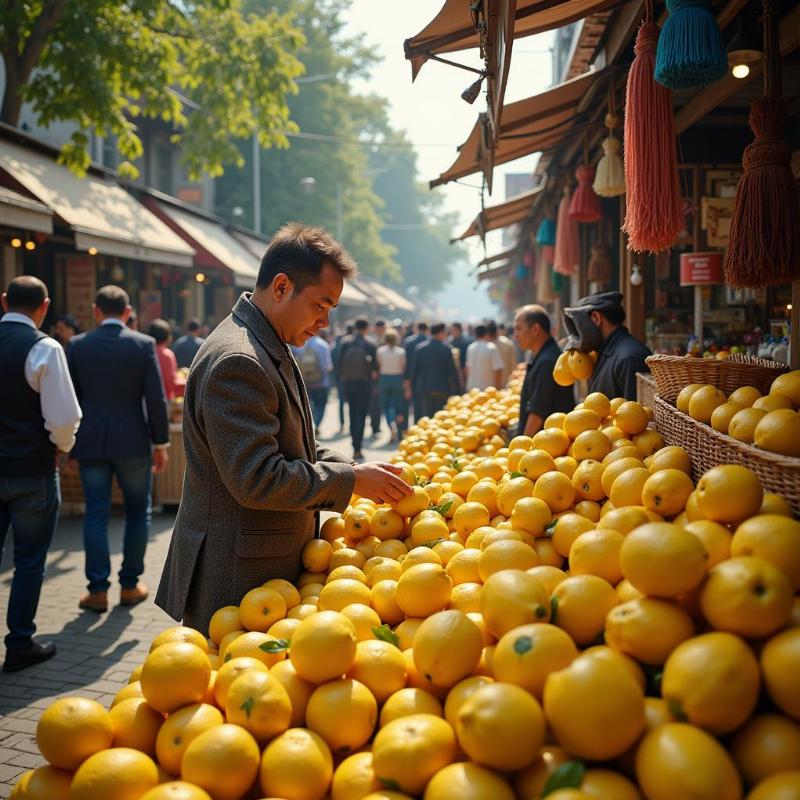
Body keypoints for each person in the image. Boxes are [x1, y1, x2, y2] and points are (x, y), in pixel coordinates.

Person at [155, 223, 411, 633]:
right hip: (238, 576)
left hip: (262, 571)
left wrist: (360, 470)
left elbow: (294, 447)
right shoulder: (238, 361)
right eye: (320, 305)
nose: (325, 322)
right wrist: (350, 479)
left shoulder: (266, 340)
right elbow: (258, 479)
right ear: (280, 287)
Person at [67, 286, 170, 613]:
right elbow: (156, 399)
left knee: (95, 514)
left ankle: (97, 590)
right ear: (128, 313)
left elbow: (70, 400)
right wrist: (161, 443)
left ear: (96, 311)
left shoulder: (78, 345)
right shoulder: (143, 345)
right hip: (133, 443)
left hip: (91, 441)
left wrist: (68, 446)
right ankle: (129, 585)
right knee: (138, 512)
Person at [0, 277, 82, 672]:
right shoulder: (44, 348)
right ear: (45, 306)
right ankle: (19, 642)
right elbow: (64, 417)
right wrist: (61, 448)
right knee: (29, 561)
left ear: (4, 302)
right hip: (31, 468)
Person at [565, 291, 652, 401]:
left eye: (578, 328)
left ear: (596, 318)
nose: (577, 339)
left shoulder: (629, 359)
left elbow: (636, 414)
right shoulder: (603, 353)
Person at [514, 305, 575, 436]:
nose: (515, 336)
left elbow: (537, 411)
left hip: (548, 443)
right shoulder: (543, 355)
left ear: (535, 329)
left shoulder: (547, 361)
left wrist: (524, 445)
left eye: (519, 329)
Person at [336, 318, 378, 460]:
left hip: (349, 384)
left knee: (352, 414)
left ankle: (355, 445)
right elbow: (375, 370)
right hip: (365, 385)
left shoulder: (345, 342)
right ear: (366, 328)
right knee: (362, 415)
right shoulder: (370, 344)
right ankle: (358, 447)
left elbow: (339, 364)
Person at [409, 323, 461, 419]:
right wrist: (457, 391)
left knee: (427, 417)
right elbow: (452, 372)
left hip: (425, 389)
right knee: (441, 418)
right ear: (440, 332)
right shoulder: (447, 349)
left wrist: (411, 388)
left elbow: (414, 371)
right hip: (443, 389)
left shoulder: (420, 348)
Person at [291, 331, 333, 430]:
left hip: (304, 382)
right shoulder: (323, 345)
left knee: (307, 405)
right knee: (320, 405)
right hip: (321, 382)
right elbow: (327, 366)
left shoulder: (299, 344)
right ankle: (316, 424)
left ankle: (310, 425)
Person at [376, 329, 407, 443]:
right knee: (398, 405)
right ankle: (399, 429)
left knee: (386, 406)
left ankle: (391, 426)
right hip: (397, 378)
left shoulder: (380, 351)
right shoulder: (401, 352)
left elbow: (379, 365)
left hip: (384, 378)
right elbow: (403, 367)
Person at [403, 322, 429, 423]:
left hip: (413, 378)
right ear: (427, 330)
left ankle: (417, 427)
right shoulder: (429, 341)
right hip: (427, 379)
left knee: (416, 407)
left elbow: (406, 363)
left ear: (416, 329)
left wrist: (406, 380)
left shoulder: (409, 342)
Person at [465, 324, 503, 390]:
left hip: (472, 388)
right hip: (487, 390)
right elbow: (498, 370)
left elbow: (468, 368)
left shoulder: (471, 347)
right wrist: (497, 387)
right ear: (486, 334)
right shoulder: (491, 347)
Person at [148, 319, 179, 401]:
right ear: (167, 337)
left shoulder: (145, 351)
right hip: (165, 399)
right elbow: (171, 383)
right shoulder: (167, 355)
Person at [331, 322, 353, 434]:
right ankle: (351, 425)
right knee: (351, 401)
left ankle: (342, 424)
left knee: (341, 401)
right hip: (351, 377)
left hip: (340, 376)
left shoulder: (338, 342)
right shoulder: (351, 342)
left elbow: (334, 359)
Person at [487, 320, 517, 386]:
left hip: (488, 386)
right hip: (505, 382)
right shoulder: (508, 343)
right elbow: (513, 365)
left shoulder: (486, 346)